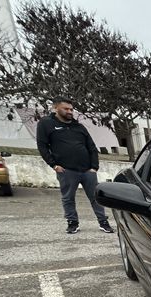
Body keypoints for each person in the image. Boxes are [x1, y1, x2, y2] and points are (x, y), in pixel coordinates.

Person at [36, 97, 114, 234]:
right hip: (66, 170)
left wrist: (94, 167)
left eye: (71, 109)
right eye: (66, 109)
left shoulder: (79, 127)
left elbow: (91, 147)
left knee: (96, 197)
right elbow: (42, 146)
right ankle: (73, 223)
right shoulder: (46, 124)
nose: (70, 111)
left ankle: (103, 222)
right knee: (68, 198)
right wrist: (54, 165)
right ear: (56, 108)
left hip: (87, 170)